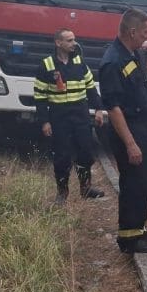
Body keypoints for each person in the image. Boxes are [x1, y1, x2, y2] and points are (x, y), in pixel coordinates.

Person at [99, 9, 147, 254]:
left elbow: (138, 87)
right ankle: (128, 238)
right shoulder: (113, 62)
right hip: (128, 132)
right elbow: (113, 108)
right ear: (132, 32)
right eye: (145, 32)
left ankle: (139, 228)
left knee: (142, 182)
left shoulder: (133, 54)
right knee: (132, 183)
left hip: (141, 127)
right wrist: (130, 143)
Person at [34, 28, 107, 205]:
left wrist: (98, 109)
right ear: (58, 43)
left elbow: (90, 88)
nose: (74, 43)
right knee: (62, 156)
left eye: (74, 40)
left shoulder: (80, 62)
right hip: (59, 116)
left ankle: (86, 188)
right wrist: (44, 121)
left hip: (80, 115)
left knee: (85, 152)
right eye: (69, 40)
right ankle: (62, 193)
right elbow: (40, 96)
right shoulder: (47, 65)